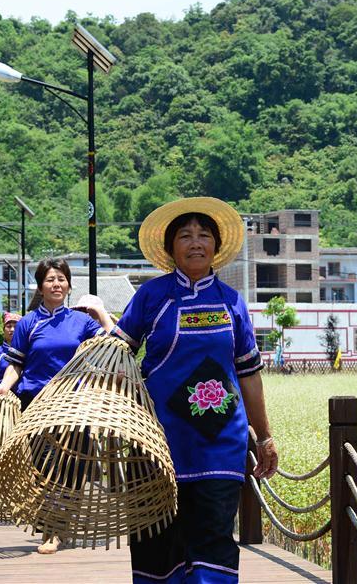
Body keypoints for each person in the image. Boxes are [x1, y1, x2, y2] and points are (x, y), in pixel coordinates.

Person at [111, 197, 278, 583]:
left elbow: (249, 373)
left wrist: (264, 436)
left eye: (204, 235)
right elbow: (117, 351)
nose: (195, 242)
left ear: (216, 247)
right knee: (157, 542)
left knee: (214, 540)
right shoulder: (151, 296)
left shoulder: (232, 302)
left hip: (219, 442)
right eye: (185, 235)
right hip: (156, 442)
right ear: (171, 249)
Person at [0, 257, 114, 554]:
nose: (56, 284)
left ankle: (58, 527)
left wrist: (100, 312)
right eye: (50, 279)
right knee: (44, 467)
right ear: (41, 286)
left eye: (61, 279)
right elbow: (15, 366)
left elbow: (114, 343)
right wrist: (3, 387)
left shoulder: (81, 321)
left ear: (69, 285)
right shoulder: (28, 324)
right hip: (37, 405)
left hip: (74, 405)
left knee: (74, 468)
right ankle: (51, 527)